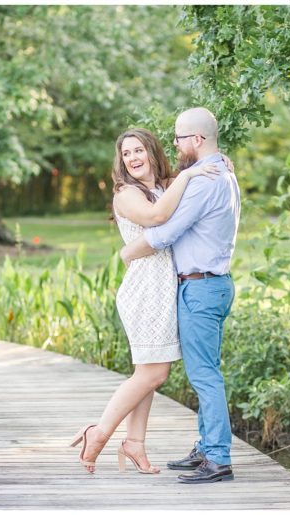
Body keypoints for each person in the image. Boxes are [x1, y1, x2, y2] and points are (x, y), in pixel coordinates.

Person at [70, 128, 222, 474]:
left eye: (139, 150)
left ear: (152, 152)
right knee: (154, 372)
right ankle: (100, 431)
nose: (133, 158)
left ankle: (135, 444)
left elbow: (190, 175)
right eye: (126, 154)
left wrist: (213, 162)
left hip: (163, 288)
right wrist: (189, 175)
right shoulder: (126, 194)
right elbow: (157, 218)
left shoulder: (164, 186)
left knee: (149, 370)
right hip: (145, 290)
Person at [119, 107, 241, 484]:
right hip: (210, 285)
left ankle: (217, 458)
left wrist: (127, 252)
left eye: (179, 138)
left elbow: (164, 230)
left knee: (205, 376)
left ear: (197, 140)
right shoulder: (221, 172)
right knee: (206, 372)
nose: (175, 145)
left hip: (201, 287)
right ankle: (207, 448)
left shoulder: (205, 180)